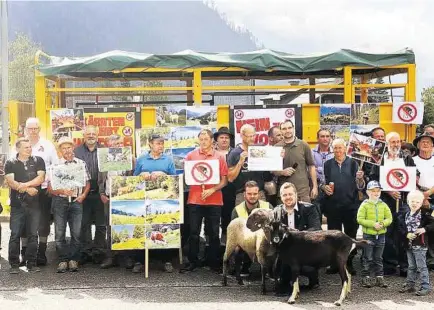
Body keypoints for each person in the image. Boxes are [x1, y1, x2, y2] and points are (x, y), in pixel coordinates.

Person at [370, 132, 417, 276]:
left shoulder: (407, 158)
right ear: (387, 143)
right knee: (387, 233)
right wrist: (388, 190)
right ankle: (389, 264)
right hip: (385, 202)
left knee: (404, 233)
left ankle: (404, 266)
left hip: (403, 202)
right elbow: (373, 179)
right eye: (392, 142)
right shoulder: (380, 159)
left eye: (398, 141)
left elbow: (415, 175)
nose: (396, 144)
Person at [181, 129, 228, 273]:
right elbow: (187, 179)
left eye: (206, 139)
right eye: (201, 139)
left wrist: (212, 190)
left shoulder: (219, 157)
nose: (203, 141)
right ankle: (192, 260)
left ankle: (214, 262)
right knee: (193, 232)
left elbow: (224, 180)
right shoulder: (191, 156)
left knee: (214, 233)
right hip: (195, 199)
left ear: (212, 140)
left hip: (214, 200)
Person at [15, 118, 58, 266]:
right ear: (25, 129)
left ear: (39, 129)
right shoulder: (18, 145)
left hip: (43, 191)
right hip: (22, 191)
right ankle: (24, 254)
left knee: (43, 223)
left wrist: (52, 185)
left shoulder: (47, 146)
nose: (32, 131)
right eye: (30, 128)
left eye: (35, 128)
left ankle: (41, 253)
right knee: (24, 224)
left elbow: (55, 166)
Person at [321, 138, 365, 274]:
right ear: (332, 149)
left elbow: (361, 187)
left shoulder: (354, 164)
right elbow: (323, 182)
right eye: (335, 148)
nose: (338, 151)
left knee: (350, 236)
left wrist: (360, 179)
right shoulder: (327, 164)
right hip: (333, 205)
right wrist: (324, 187)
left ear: (345, 148)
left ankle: (349, 263)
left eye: (340, 148)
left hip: (350, 205)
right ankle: (335, 264)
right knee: (334, 236)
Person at [133, 133, 176, 273]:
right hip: (144, 200)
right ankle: (139, 260)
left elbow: (174, 180)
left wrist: (164, 175)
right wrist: (141, 176)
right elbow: (133, 180)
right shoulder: (141, 159)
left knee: (164, 226)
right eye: (158, 143)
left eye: (162, 143)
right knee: (143, 226)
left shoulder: (168, 160)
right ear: (150, 144)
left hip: (163, 200)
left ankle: (166, 260)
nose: (161, 146)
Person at [48, 137, 91, 273]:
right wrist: (61, 190)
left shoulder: (81, 164)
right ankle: (62, 260)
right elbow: (50, 188)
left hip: (76, 201)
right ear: (60, 151)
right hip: (60, 201)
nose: (67, 150)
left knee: (76, 233)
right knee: (59, 233)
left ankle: (73, 260)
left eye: (69, 147)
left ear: (73, 148)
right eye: (63, 148)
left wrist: (83, 196)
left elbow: (87, 182)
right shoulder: (55, 166)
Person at [5, 138, 46, 273]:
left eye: (30, 147)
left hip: (34, 204)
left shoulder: (38, 160)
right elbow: (11, 182)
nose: (29, 149)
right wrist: (28, 189)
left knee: (33, 234)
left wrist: (24, 185)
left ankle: (31, 264)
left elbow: (41, 178)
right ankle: (14, 265)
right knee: (15, 234)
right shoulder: (10, 163)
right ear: (18, 149)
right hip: (17, 204)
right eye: (26, 147)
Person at [272, 182, 322, 294]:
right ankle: (284, 283)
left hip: (305, 249)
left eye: (290, 194)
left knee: (309, 269)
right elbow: (274, 234)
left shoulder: (309, 208)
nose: (288, 197)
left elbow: (316, 229)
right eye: (284, 195)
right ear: (281, 197)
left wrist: (297, 236)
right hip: (285, 252)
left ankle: (313, 279)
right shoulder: (276, 211)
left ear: (296, 195)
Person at [98, 134, 134, 269]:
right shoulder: (104, 159)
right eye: (114, 144)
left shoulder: (130, 158)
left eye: (119, 144)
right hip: (109, 198)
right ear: (108, 145)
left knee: (126, 226)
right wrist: (102, 193)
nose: (117, 146)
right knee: (110, 227)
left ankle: (127, 257)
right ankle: (110, 257)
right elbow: (100, 179)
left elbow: (133, 178)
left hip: (124, 198)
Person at [74, 125, 105, 264]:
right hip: (83, 193)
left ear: (97, 135)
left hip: (100, 192)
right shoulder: (77, 151)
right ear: (84, 136)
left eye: (93, 133)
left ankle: (99, 252)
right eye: (88, 134)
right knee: (84, 223)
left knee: (101, 224)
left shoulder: (105, 150)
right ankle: (86, 252)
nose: (91, 136)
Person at [231, 181, 272, 276]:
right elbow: (234, 232)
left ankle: (269, 268)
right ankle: (241, 267)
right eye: (249, 194)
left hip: (264, 241)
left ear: (259, 194)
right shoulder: (236, 210)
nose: (252, 196)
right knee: (236, 247)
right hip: (246, 241)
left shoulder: (268, 207)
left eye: (255, 193)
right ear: (244, 195)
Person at [357, 181, 393, 288]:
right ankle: (366, 277)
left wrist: (382, 224)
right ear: (368, 192)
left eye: (378, 191)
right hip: (368, 235)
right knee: (367, 257)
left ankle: (379, 277)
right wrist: (373, 224)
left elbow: (389, 218)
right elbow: (360, 219)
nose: (376, 193)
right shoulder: (364, 205)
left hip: (381, 235)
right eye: (373, 191)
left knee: (378, 257)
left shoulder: (383, 205)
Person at [398, 190, 433, 296]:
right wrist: (406, 234)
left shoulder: (425, 215)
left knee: (421, 266)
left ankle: (425, 286)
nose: (414, 204)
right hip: (409, 244)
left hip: (420, 245)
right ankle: (410, 285)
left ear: (421, 203)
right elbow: (401, 228)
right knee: (411, 266)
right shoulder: (405, 215)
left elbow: (433, 224)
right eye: (412, 201)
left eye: (417, 202)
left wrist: (424, 229)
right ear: (408, 202)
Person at [274, 120, 318, 203]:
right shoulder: (276, 147)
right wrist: (282, 172)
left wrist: (315, 187)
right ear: (281, 131)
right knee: (285, 216)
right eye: (284, 128)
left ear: (293, 128)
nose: (287, 131)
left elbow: (311, 166)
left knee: (304, 215)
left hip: (302, 193)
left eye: (289, 128)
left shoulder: (303, 145)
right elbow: (272, 170)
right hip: (284, 194)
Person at [227, 124, 271, 206]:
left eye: (254, 135)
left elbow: (270, 170)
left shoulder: (260, 150)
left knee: (263, 218)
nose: (252, 138)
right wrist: (240, 162)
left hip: (259, 193)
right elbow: (230, 178)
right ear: (242, 136)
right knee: (242, 219)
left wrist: (279, 156)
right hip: (242, 194)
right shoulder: (234, 153)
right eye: (249, 136)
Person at [412, 133, 434, 270]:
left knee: (433, 227)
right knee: (419, 227)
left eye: (428, 142)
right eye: (422, 142)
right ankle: (420, 259)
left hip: (432, 194)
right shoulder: (411, 160)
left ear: (432, 145)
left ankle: (432, 259)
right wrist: (421, 197)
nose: (425, 144)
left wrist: (428, 194)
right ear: (418, 145)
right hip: (417, 196)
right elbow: (409, 179)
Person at [214, 127, 235, 245]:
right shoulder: (210, 152)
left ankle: (226, 243)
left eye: (226, 137)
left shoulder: (235, 152)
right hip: (214, 188)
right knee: (214, 217)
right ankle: (212, 244)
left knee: (228, 215)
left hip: (230, 189)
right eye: (221, 137)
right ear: (216, 139)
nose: (224, 140)